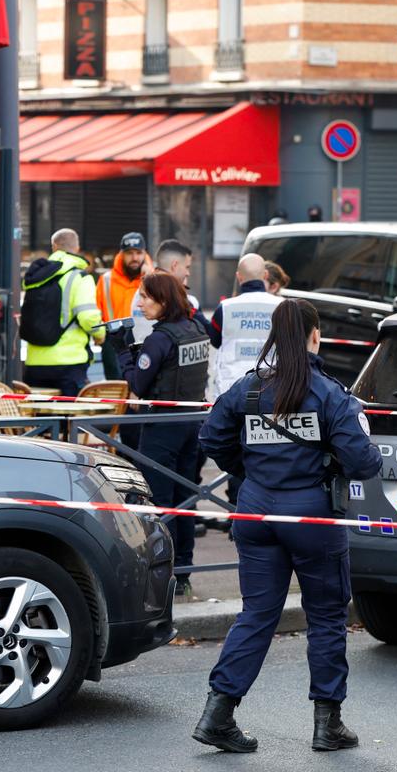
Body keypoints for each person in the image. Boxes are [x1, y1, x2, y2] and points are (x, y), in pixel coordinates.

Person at [194, 299, 382, 754]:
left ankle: (217, 714)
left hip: (256, 513)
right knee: (326, 617)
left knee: (257, 615)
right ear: (315, 336)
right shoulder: (329, 394)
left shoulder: (249, 389)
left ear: (274, 338)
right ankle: (327, 724)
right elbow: (363, 462)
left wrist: (252, 473)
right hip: (313, 516)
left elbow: (211, 438)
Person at [109, 272, 210, 597]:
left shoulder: (160, 338)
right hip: (191, 424)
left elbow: (139, 383)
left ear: (163, 300)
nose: (140, 303)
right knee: (185, 501)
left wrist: (123, 351)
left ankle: (159, 575)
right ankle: (183, 571)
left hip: (163, 428)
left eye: (145, 298)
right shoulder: (195, 329)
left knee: (159, 502)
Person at [22, 229, 104, 397]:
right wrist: (100, 334)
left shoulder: (37, 276)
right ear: (77, 247)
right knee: (69, 420)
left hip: (34, 363)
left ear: (54, 247)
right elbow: (88, 316)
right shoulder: (79, 277)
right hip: (69, 364)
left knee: (41, 420)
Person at [207, 253, 282, 399]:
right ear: (265, 275)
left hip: (231, 389)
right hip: (271, 388)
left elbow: (214, 341)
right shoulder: (281, 306)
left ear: (239, 277)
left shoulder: (225, 307)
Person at [131, 239, 206, 343]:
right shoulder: (186, 301)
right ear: (174, 265)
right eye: (187, 267)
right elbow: (211, 335)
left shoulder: (137, 294)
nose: (188, 273)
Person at [97, 232, 150, 379]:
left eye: (138, 253)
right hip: (114, 341)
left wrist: (149, 277)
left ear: (145, 254)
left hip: (144, 339)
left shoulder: (154, 278)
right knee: (117, 390)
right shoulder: (106, 280)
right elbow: (96, 312)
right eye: (129, 253)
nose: (134, 258)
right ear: (121, 254)